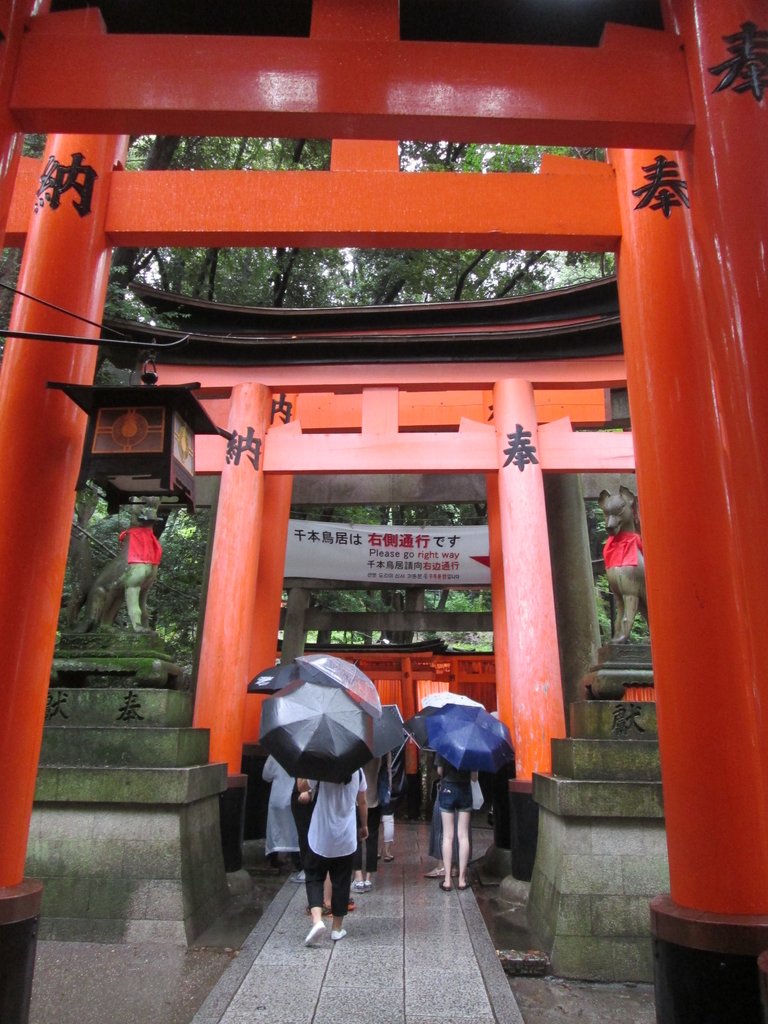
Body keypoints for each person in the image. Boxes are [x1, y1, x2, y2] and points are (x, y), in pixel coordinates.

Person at [300, 769, 368, 945]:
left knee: (314, 876)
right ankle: (337, 929)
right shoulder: (358, 771)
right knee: (341, 881)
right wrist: (364, 826)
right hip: (345, 836)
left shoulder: (322, 767)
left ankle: (317, 921)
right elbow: (363, 801)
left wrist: (303, 767)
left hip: (321, 834)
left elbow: (301, 786)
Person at [435, 754, 477, 891]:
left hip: (447, 788)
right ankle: (462, 880)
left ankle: (447, 880)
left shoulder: (444, 744)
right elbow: (474, 778)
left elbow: (439, 771)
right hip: (465, 789)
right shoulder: (472, 748)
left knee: (447, 836)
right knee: (463, 835)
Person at [262, 755, 300, 873]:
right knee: (294, 830)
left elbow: (266, 776)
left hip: (278, 795)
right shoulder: (301, 754)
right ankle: (296, 860)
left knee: (276, 828)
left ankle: (275, 857)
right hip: (294, 795)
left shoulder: (275, 754)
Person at [352, 756, 382, 892]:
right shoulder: (381, 747)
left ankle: (358, 877)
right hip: (374, 797)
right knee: (372, 838)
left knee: (356, 838)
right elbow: (387, 771)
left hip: (356, 800)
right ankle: (369, 877)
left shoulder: (355, 749)